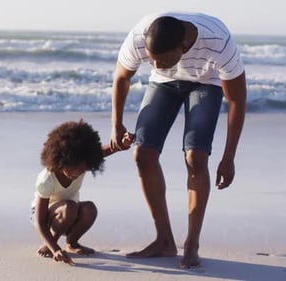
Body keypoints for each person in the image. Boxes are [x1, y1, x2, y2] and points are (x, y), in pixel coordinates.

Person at [109, 12, 247, 269]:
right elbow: (121, 78)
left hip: (206, 83)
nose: (156, 65)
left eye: (162, 60)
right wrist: (116, 125)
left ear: (183, 47)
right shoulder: (140, 36)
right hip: (164, 86)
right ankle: (164, 240)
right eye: (152, 60)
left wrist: (229, 158)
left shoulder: (218, 40)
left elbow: (237, 100)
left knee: (196, 157)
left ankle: (192, 244)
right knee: (143, 153)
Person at [31, 120, 134, 265]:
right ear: (61, 161)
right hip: (46, 216)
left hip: (69, 212)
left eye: (82, 169)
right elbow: (40, 223)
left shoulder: (81, 164)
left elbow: (104, 151)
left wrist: (121, 145)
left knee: (90, 209)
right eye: (73, 169)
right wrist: (54, 249)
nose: (77, 173)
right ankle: (50, 243)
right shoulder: (46, 179)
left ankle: (72, 243)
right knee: (70, 207)